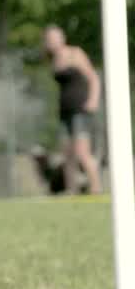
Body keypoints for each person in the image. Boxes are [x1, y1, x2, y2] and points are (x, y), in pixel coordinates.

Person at [42, 25, 103, 195]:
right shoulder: (53, 60)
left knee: (82, 152)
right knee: (67, 153)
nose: (51, 42)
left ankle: (96, 187)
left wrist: (93, 100)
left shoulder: (75, 54)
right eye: (48, 39)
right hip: (65, 111)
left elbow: (93, 78)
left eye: (54, 37)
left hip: (80, 109)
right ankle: (71, 189)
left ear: (62, 37)